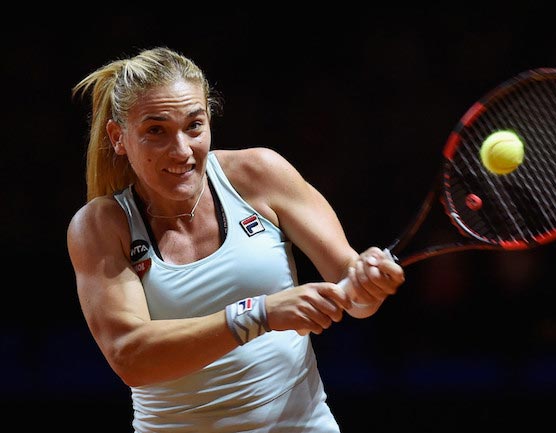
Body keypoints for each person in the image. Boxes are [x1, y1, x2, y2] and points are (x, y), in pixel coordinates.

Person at [66, 46, 405, 433]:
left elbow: (354, 292)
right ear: (118, 137)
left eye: (194, 126)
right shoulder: (100, 226)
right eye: (155, 131)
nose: (181, 151)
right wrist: (258, 314)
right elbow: (131, 357)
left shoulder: (259, 174)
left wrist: (368, 282)